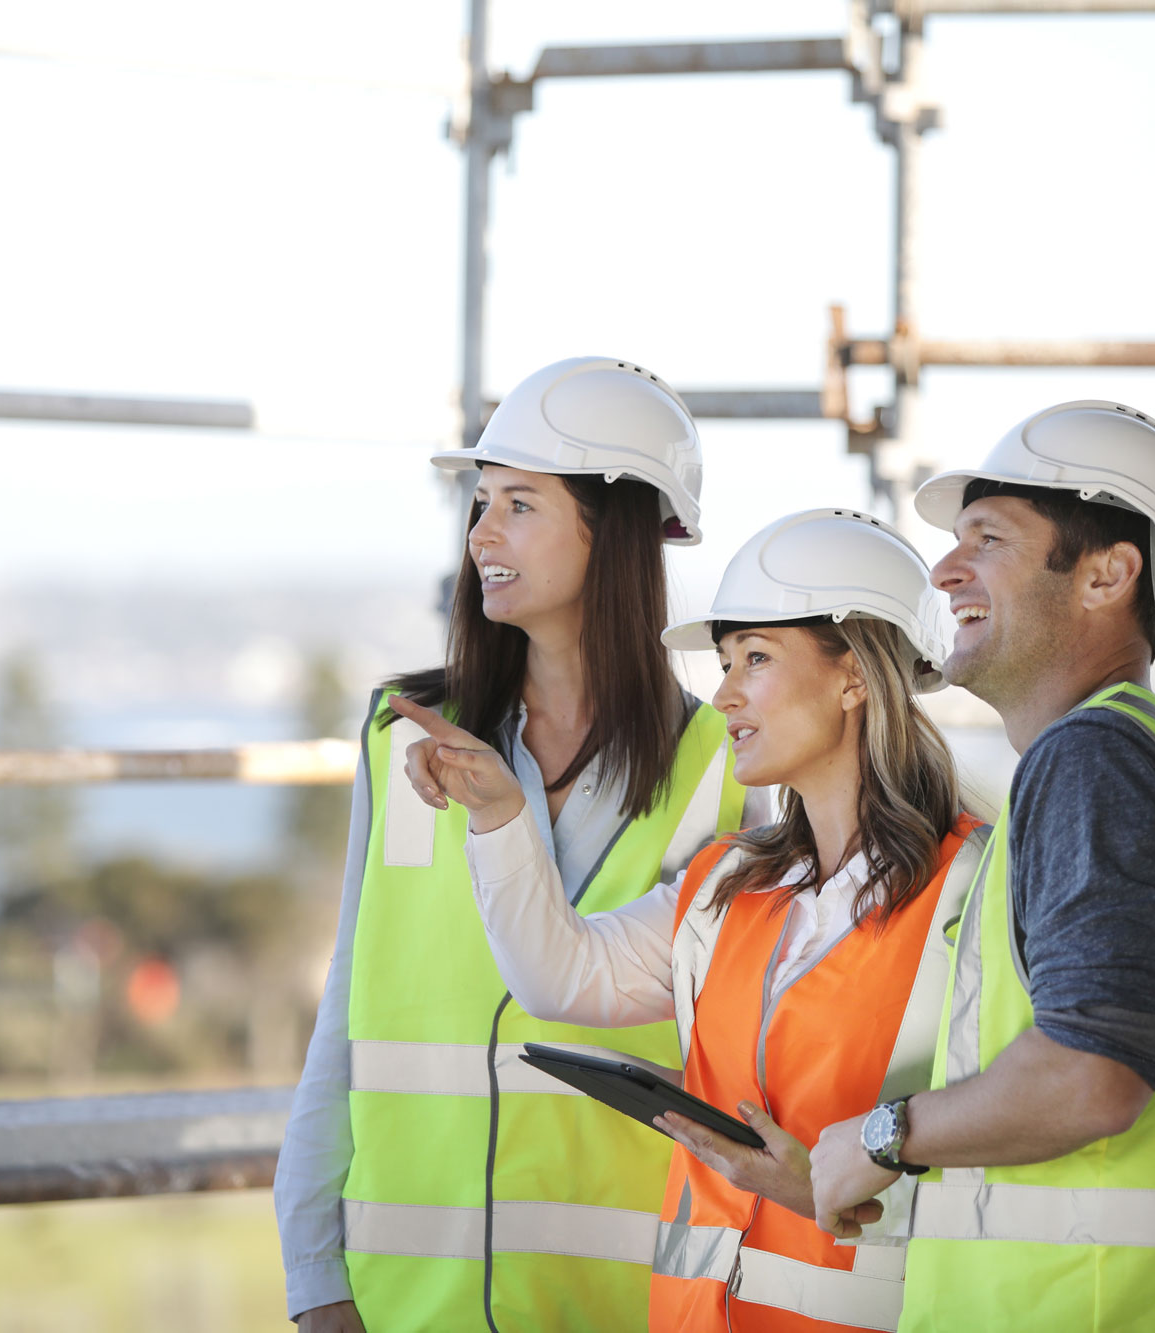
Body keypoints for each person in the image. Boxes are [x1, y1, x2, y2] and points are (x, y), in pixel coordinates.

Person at [394, 508, 992, 1332]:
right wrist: (502, 812)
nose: (725, 693)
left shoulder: (978, 889)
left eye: (756, 658)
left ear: (853, 677)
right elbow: (556, 975)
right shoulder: (725, 887)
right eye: (723, 662)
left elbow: (1015, 1149)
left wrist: (826, 1177)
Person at [274, 357, 766, 1333]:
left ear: (614, 529)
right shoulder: (400, 734)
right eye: (480, 502)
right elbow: (346, 1008)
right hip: (403, 1304)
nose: (479, 534)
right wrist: (312, 1274)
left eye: (519, 505)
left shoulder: (729, 766)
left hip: (617, 1306)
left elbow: (740, 1067)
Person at [804, 400, 1155, 1331]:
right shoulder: (1151, 764)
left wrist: (886, 1135)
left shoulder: (1093, 762)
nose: (946, 569)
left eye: (988, 538)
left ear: (1109, 575)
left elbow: (1090, 1074)